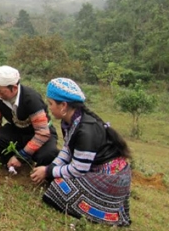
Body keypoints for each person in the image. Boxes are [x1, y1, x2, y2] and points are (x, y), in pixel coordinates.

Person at [30, 78, 132, 226]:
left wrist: (48, 171)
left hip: (111, 178)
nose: (49, 107)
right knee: (56, 180)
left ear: (63, 105)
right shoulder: (72, 121)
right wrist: (51, 167)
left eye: (51, 103)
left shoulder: (86, 130)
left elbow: (78, 169)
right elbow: (67, 150)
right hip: (94, 169)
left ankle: (104, 213)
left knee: (59, 189)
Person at [0, 66, 59, 171]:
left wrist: (21, 156)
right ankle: (9, 163)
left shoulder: (31, 100)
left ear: (14, 88)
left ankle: (34, 167)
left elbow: (43, 133)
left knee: (48, 155)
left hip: (39, 134)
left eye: (1, 91)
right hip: (18, 132)